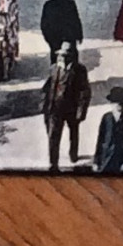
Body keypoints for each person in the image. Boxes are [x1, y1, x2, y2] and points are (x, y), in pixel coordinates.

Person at [41, 42, 91, 171]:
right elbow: (47, 88)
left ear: (71, 56)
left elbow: (84, 91)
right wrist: (44, 105)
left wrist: (81, 111)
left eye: (64, 55)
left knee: (73, 132)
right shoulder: (53, 69)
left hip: (71, 109)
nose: (61, 58)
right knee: (53, 135)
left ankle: (73, 153)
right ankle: (53, 163)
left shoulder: (79, 70)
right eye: (60, 55)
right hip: (55, 109)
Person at [93, 85, 123, 174]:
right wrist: (96, 161)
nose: (119, 105)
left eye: (122, 103)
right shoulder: (106, 118)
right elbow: (100, 141)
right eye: (116, 103)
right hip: (105, 160)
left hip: (122, 162)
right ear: (111, 103)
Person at [40, 0, 83, 64]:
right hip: (69, 39)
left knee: (54, 62)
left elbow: (44, 24)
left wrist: (49, 39)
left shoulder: (48, 5)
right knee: (72, 63)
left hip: (54, 39)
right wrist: (79, 36)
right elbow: (76, 22)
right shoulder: (71, 4)